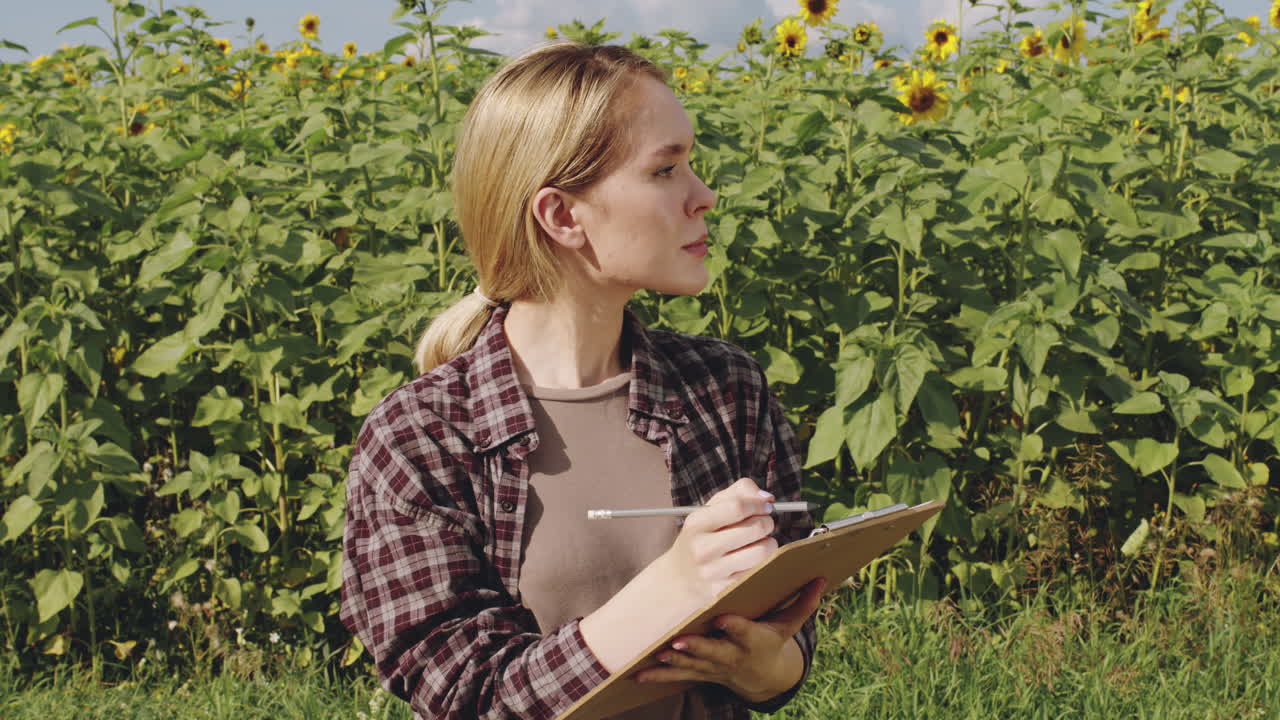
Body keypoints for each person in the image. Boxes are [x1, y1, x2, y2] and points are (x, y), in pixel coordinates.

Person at [339, 41, 824, 720]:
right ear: (563, 216)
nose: (704, 196)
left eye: (692, 164)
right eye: (665, 170)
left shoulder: (725, 389)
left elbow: (788, 632)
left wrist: (765, 666)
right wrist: (670, 592)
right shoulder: (419, 438)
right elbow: (468, 698)